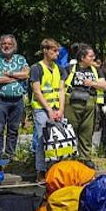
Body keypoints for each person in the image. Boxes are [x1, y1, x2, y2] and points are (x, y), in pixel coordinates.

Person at [0, 34, 30, 158]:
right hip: (0, 101)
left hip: (17, 100)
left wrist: (10, 74)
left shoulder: (20, 59)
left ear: (14, 46)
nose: (7, 46)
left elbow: (27, 74)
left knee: (13, 130)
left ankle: (10, 155)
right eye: (4, 43)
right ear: (0, 45)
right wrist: (17, 77)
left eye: (9, 44)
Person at [29, 38, 66, 179]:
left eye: (58, 51)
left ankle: (56, 169)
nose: (57, 54)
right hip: (41, 109)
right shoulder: (36, 68)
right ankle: (41, 170)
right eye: (54, 50)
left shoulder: (59, 69)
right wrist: (49, 110)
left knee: (58, 140)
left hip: (57, 108)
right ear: (45, 50)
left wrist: (61, 109)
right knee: (41, 139)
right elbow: (37, 91)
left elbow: (61, 90)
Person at [64, 44, 106, 159]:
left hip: (89, 103)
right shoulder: (70, 68)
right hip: (72, 104)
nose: (93, 58)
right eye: (91, 56)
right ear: (82, 57)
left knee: (87, 132)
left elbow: (104, 85)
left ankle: (85, 158)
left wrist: (92, 83)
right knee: (70, 131)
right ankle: (69, 158)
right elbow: (62, 86)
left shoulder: (96, 70)